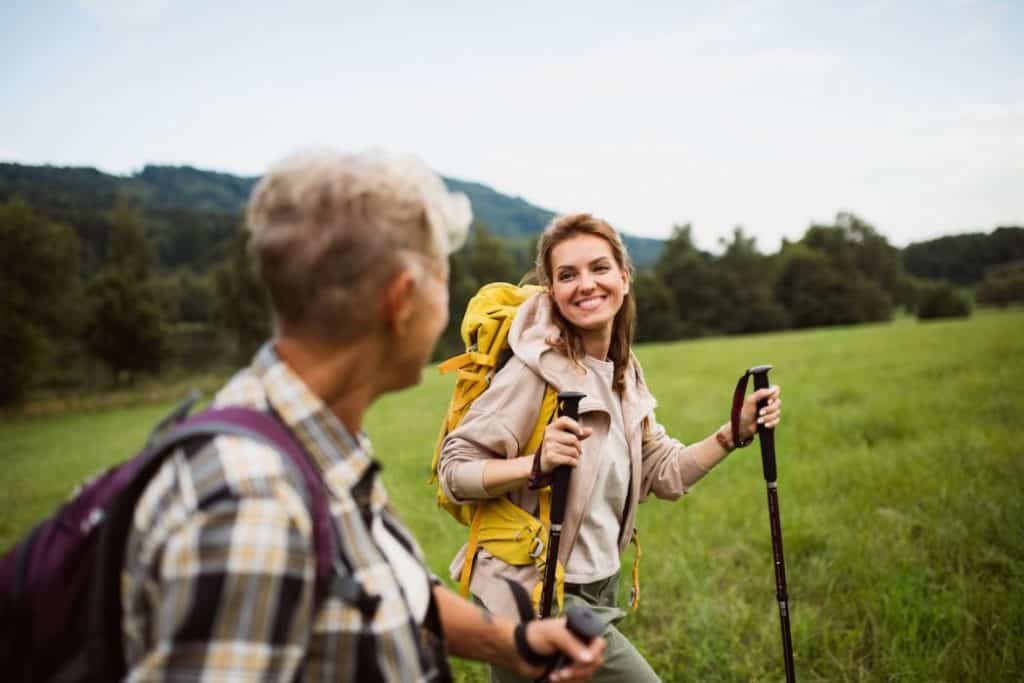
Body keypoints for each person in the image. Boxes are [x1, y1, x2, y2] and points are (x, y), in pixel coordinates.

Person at [120, 150, 605, 682]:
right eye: (444, 280)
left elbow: (381, 583)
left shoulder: (305, 436)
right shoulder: (255, 506)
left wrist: (510, 641)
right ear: (401, 300)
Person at [436, 213, 783, 682]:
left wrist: (732, 433)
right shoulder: (533, 372)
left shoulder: (622, 372)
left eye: (599, 268)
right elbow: (454, 470)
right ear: (552, 291)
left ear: (623, 276)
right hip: (533, 589)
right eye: (567, 275)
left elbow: (665, 472)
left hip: (598, 585)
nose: (585, 284)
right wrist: (533, 465)